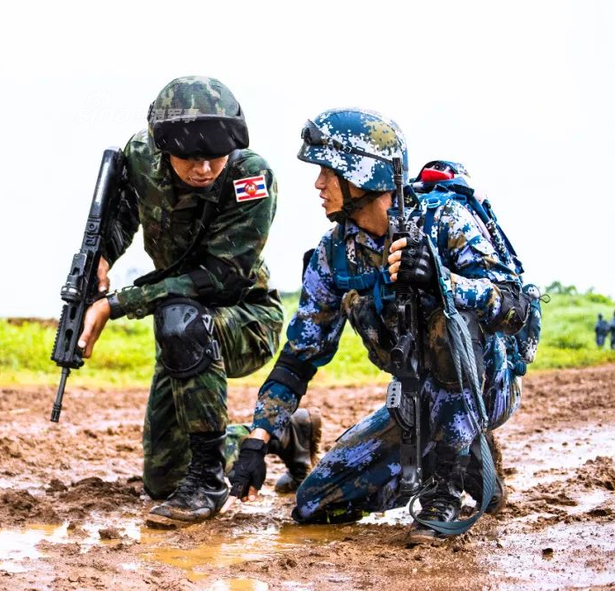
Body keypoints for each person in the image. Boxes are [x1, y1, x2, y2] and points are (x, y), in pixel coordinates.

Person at [227, 108, 530, 542]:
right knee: (315, 503)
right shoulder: (334, 255)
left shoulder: (445, 222)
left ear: (362, 174)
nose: (319, 185)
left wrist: (441, 281)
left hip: (485, 388)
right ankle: (472, 467)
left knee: (448, 321)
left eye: (328, 172)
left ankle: (444, 488)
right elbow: (300, 355)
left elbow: (515, 307)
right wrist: (259, 437)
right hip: (413, 398)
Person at [75, 76, 320, 528]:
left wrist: (116, 304)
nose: (204, 169)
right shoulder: (141, 159)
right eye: (190, 158)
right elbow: (124, 214)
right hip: (181, 328)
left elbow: (218, 277)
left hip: (244, 319)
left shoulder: (252, 178)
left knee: (180, 320)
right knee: (163, 479)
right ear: (164, 147)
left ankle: (209, 481)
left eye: (215, 156)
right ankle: (285, 433)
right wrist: (102, 257)